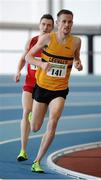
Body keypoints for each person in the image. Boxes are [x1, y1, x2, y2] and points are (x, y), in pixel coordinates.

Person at [25, 9, 83, 173]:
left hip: (60, 90)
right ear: (57, 24)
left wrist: (79, 64)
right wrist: (42, 64)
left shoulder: (76, 41)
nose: (67, 25)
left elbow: (77, 58)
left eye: (70, 22)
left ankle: (37, 161)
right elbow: (28, 57)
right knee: (35, 127)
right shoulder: (47, 38)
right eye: (64, 21)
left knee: (53, 122)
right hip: (42, 88)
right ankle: (33, 116)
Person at [15, 14, 54, 162]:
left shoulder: (54, 44)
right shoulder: (31, 41)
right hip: (30, 84)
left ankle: (34, 116)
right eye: (43, 24)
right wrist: (18, 71)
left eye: (49, 25)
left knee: (38, 122)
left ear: (52, 27)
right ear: (39, 25)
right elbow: (23, 59)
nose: (45, 27)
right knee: (26, 111)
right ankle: (23, 151)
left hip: (45, 86)